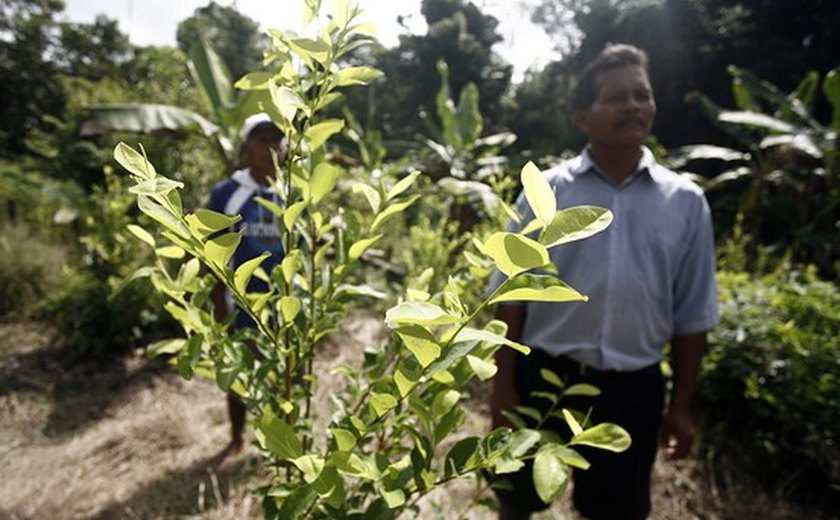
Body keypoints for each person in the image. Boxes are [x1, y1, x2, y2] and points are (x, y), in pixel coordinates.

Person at [488, 44, 719, 519]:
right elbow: (512, 294)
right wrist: (503, 385)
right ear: (581, 117)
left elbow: (693, 314)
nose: (633, 106)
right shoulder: (546, 192)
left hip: (632, 392)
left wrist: (680, 406)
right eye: (616, 97)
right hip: (543, 377)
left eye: (642, 95)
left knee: (616, 511)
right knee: (517, 501)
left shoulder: (686, 203)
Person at [207, 112, 286, 461]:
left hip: (282, 306)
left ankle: (279, 445)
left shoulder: (288, 193)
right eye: (262, 137)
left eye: (276, 138)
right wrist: (219, 308)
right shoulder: (228, 193)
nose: (271, 145)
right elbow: (211, 254)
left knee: (285, 378)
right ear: (246, 145)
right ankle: (237, 438)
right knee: (240, 377)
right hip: (241, 305)